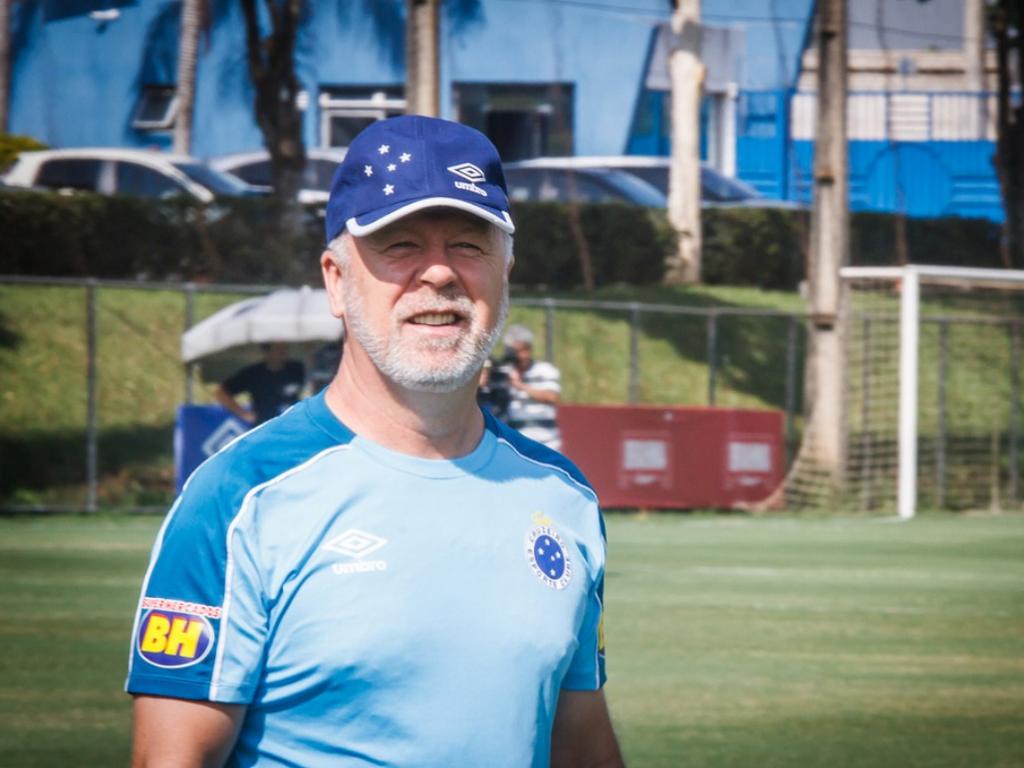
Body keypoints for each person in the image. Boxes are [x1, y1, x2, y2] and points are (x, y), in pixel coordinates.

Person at [126, 115, 623, 768]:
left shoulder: (562, 496)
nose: (438, 273)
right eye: (401, 244)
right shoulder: (239, 498)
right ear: (336, 280)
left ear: (505, 272)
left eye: (468, 245)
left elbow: (580, 745)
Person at [501, 324, 563, 451]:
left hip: (547, 443)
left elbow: (551, 397)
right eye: (518, 351)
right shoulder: (503, 372)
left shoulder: (544, 370)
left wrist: (520, 386)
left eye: (526, 349)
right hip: (516, 444)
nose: (523, 355)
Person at [214, 342, 305, 425]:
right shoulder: (253, 373)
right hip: (265, 425)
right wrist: (244, 414)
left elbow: (311, 385)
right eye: (278, 349)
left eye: (285, 349)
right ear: (266, 352)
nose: (283, 353)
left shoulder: (297, 369)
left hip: (293, 423)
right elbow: (221, 393)